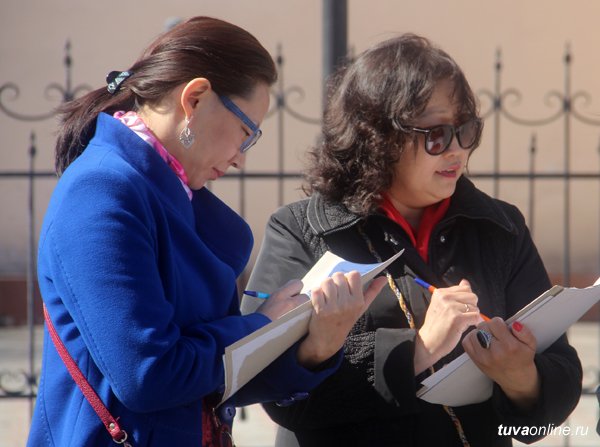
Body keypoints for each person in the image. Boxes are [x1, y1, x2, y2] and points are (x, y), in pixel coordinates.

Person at [27, 16, 386, 447]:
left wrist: (316, 344)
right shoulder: (102, 191)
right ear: (194, 99)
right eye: (245, 133)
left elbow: (209, 380)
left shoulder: (162, 192)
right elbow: (149, 375)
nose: (240, 158)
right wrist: (261, 325)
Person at [242, 33, 583, 446]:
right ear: (378, 138)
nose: (457, 150)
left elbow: (557, 387)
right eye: (437, 135)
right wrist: (418, 350)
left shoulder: (499, 227)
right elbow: (272, 389)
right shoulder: (301, 229)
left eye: (466, 130)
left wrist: (521, 377)